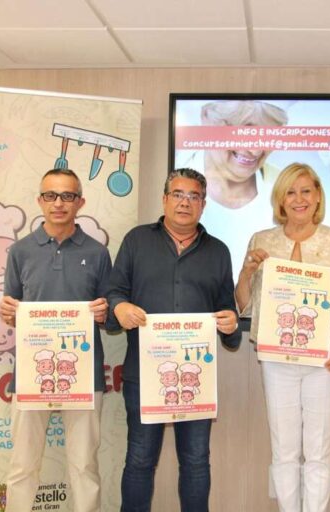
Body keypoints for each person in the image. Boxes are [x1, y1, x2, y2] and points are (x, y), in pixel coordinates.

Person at [235, 162, 330, 512]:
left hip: (325, 360)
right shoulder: (262, 241)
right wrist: (247, 272)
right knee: (284, 451)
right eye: (290, 192)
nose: (299, 199)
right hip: (276, 360)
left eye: (306, 191)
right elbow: (244, 306)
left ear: (318, 196)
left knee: (319, 452)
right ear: (280, 199)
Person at [107, 167, 241, 512]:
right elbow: (114, 292)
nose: (185, 202)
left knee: (196, 461)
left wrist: (231, 323)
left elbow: (227, 308)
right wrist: (120, 307)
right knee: (140, 459)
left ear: (204, 204)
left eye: (194, 196)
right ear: (165, 199)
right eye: (178, 195)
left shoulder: (219, 251)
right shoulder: (137, 241)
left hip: (196, 378)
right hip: (143, 375)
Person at [0, 168, 112, 512]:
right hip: (31, 373)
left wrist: (104, 312)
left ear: (80, 202)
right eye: (50, 195)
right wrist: (8, 312)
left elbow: (111, 314)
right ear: (40, 201)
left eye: (67, 196)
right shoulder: (20, 251)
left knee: (84, 466)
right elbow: (12, 309)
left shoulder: (98, 253)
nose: (58, 203)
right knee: (22, 465)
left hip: (84, 374)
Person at [180, 100, 289, 280]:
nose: (255, 150)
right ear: (207, 119)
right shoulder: (171, 176)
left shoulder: (288, 192)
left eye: (268, 136)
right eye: (245, 133)